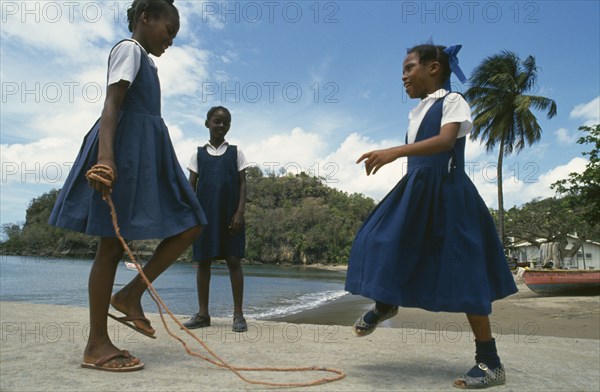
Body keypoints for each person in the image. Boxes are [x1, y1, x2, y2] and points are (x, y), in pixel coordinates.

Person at [345, 44, 518, 389]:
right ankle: (385, 304)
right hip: (416, 190)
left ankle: (490, 363)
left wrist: (394, 151)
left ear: (434, 68)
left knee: (466, 272)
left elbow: (444, 142)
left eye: (409, 68)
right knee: (377, 240)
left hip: (449, 194)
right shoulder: (416, 111)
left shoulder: (452, 101)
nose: (403, 76)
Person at [48, 0, 206, 372]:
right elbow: (112, 103)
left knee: (191, 223)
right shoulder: (128, 49)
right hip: (121, 150)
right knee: (111, 246)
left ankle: (131, 294)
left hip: (146, 155)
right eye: (169, 31)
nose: (171, 41)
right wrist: (106, 159)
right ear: (145, 18)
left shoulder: (147, 61)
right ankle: (96, 345)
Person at [183, 106, 250, 333]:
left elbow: (242, 184)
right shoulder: (198, 154)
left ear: (229, 126)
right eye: (216, 121)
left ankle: (238, 315)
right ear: (207, 123)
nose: (220, 126)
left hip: (231, 217)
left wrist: (239, 212)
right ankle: (203, 315)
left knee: (234, 260)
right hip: (205, 217)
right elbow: (190, 187)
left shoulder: (236, 153)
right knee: (203, 261)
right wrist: (192, 215)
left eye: (225, 123)